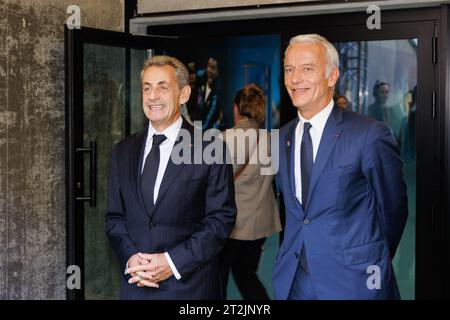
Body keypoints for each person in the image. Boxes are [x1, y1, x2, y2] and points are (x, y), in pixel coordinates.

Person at [273, 34, 408, 300]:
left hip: (354, 282)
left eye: (307, 68)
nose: (295, 78)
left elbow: (393, 210)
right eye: (289, 69)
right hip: (294, 281)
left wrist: (368, 257)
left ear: (332, 76)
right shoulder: (281, 137)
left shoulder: (368, 135)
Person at [105, 55, 237, 300]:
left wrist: (172, 262)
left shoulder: (210, 149)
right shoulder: (122, 151)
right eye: (147, 88)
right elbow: (114, 217)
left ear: (184, 94)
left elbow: (220, 220)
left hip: (189, 289)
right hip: (136, 286)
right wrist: (131, 258)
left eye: (162, 87)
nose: (153, 96)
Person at [220, 84, 282, 300]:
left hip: (229, 226)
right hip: (259, 225)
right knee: (247, 275)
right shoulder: (272, 142)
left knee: (218, 277)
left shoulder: (223, 139)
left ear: (236, 108)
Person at [195, 57, 223, 130]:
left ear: (217, 70)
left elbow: (212, 114)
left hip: (210, 131)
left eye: (213, 68)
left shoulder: (218, 90)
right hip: (197, 126)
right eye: (209, 66)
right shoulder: (201, 80)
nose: (210, 70)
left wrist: (201, 129)